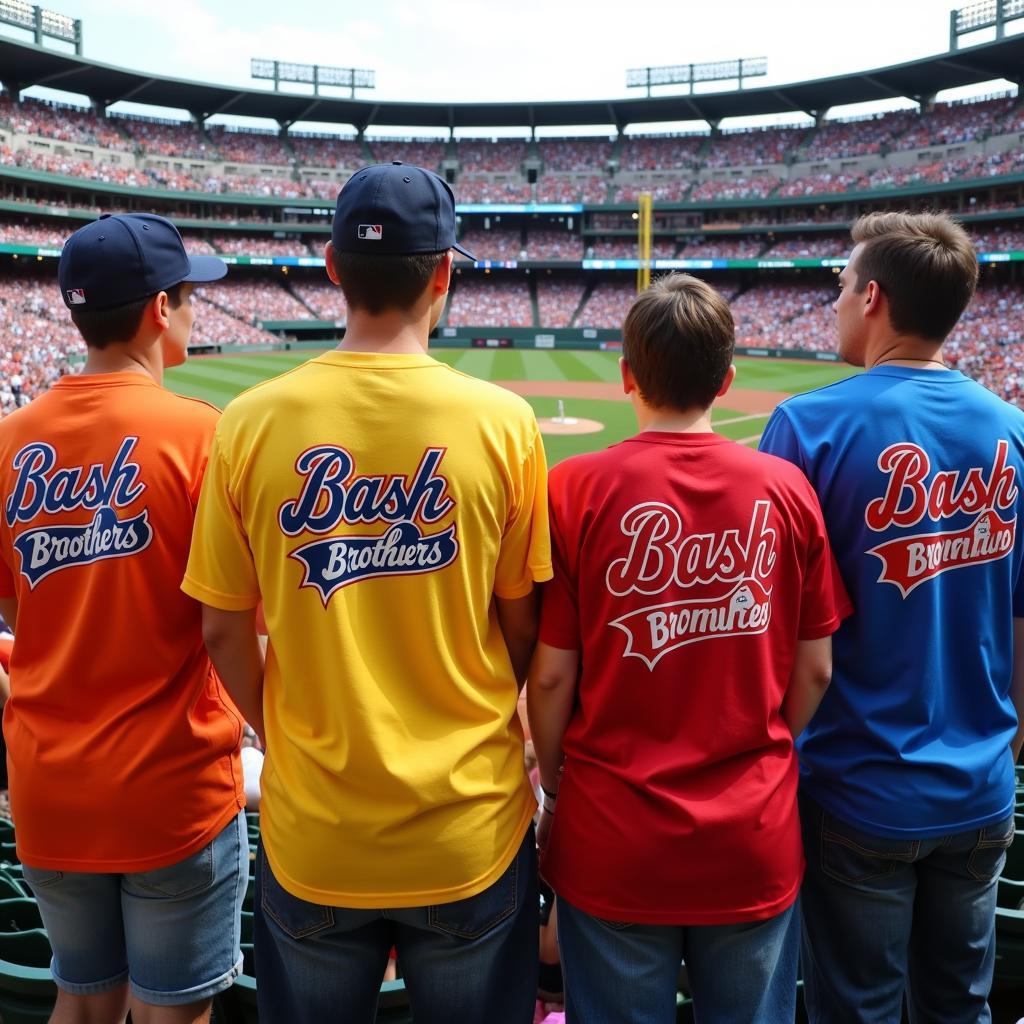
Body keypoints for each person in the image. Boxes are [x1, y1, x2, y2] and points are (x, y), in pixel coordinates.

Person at [182, 162, 551, 1024]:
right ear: (444, 273)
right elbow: (522, 629)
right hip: (469, 825)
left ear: (331, 267)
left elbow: (223, 630)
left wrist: (287, 734)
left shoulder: (249, 422)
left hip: (315, 830)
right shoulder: (504, 424)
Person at [528, 273, 851, 1023]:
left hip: (611, 834)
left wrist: (554, 784)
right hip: (752, 834)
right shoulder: (787, 488)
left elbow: (550, 680)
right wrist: (765, 745)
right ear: (728, 380)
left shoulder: (573, 487)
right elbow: (817, 668)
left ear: (625, 378)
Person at [758, 210, 1024, 1023]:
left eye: (841, 286)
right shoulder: (1013, 429)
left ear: (872, 297)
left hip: (856, 789)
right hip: (982, 788)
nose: (836, 302)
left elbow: (763, 627)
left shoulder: (808, 425)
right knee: (958, 1008)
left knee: (856, 1012)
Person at [0, 213, 248, 1024]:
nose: (191, 312)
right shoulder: (202, 436)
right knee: (173, 1013)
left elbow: (16, 604)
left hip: (49, 783)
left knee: (83, 999)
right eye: (186, 298)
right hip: (168, 790)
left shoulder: (9, 440)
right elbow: (227, 619)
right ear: (156, 311)